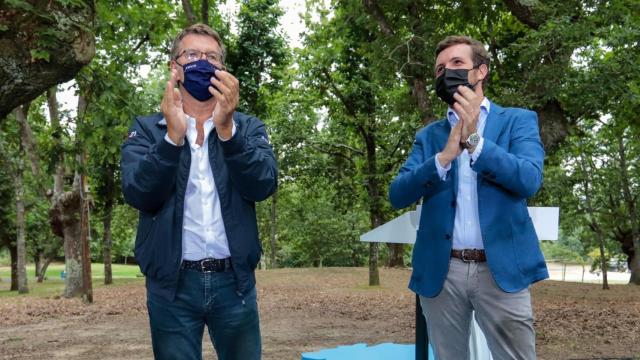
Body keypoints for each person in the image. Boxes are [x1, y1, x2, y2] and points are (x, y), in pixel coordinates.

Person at [121, 23, 277, 360]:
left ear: (223, 70)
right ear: (174, 67)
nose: (202, 62)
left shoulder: (248, 127)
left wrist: (227, 131)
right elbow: (139, 194)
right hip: (172, 288)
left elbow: (263, 184)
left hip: (234, 284)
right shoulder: (147, 129)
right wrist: (171, 139)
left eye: (212, 57)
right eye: (191, 54)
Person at [389, 35, 548, 359]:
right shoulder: (429, 136)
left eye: (457, 64)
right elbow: (398, 193)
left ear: (481, 71)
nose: (446, 72)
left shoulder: (517, 120)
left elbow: (529, 179)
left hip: (501, 270)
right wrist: (443, 159)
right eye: (439, 69)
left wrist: (475, 140)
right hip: (442, 273)